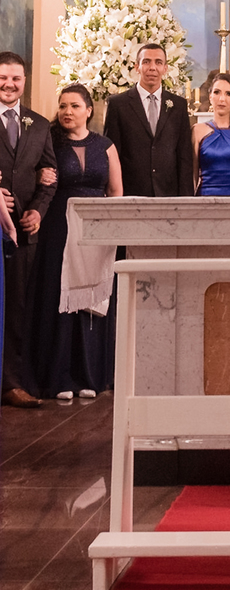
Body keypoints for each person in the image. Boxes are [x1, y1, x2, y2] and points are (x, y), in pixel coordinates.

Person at [31, 85, 122, 401]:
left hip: (95, 231)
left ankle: (89, 375)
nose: (67, 112)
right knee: (59, 298)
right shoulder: (49, 142)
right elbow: (37, 178)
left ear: (89, 110)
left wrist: (111, 231)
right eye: (62, 106)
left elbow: (115, 191)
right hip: (58, 227)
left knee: (90, 300)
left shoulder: (105, 145)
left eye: (74, 106)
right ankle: (59, 377)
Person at [0, 52, 53, 409]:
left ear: (24, 81)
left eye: (16, 78)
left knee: (17, 308)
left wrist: (37, 210)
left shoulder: (40, 124)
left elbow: (50, 176)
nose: (9, 84)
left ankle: (11, 383)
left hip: (22, 232)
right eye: (3, 77)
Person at [104, 43, 193, 198]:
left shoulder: (178, 105)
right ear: (137, 67)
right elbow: (112, 154)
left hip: (168, 194)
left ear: (165, 68)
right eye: (146, 62)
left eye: (158, 62)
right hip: (130, 193)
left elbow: (184, 155)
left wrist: (186, 198)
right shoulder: (118, 104)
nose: (152, 67)